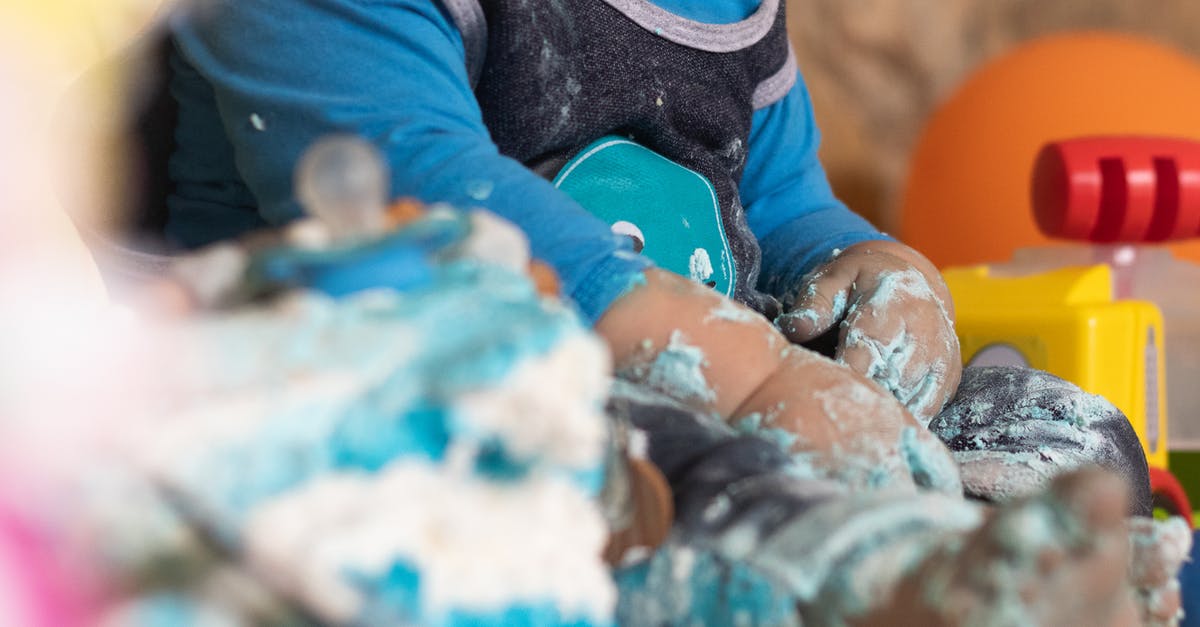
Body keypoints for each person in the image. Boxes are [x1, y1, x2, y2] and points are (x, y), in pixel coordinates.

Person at [154, 0, 1187, 624]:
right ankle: (891, 578)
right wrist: (761, 380)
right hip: (458, 370)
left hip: (737, 367)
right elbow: (424, 184)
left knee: (1060, 421)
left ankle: (1032, 548)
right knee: (617, 475)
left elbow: (778, 202)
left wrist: (874, 268)